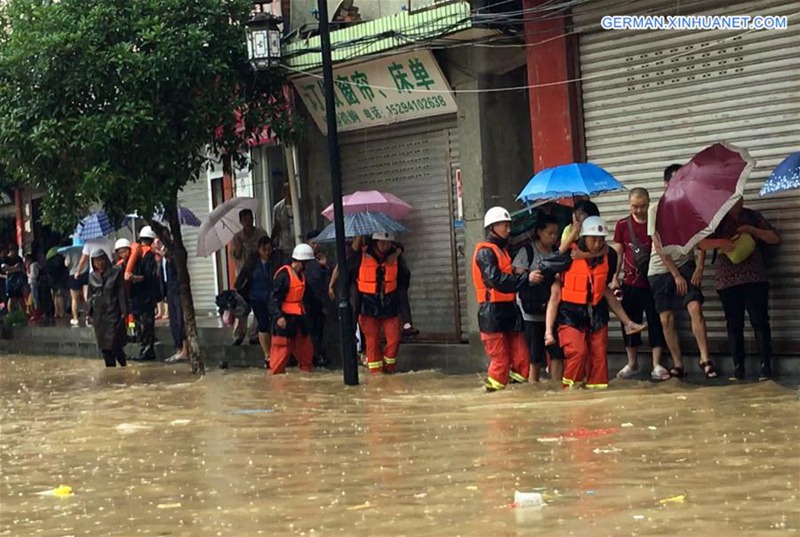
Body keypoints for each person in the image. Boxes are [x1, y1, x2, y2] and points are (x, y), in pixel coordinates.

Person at [544, 216, 646, 389]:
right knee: (578, 352)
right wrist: (548, 331)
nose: (598, 243)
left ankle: (597, 395)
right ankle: (570, 391)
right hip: (570, 312)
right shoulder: (569, 255)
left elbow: (605, 290)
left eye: (601, 240)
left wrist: (627, 322)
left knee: (599, 356)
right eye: (593, 239)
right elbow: (548, 268)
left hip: (596, 312)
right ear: (583, 238)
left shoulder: (608, 256)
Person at [698, 198, 780, 380]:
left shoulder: (752, 216)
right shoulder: (716, 220)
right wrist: (720, 242)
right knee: (734, 325)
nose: (736, 201)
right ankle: (738, 368)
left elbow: (774, 238)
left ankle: (766, 367)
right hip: (728, 280)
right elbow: (700, 243)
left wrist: (752, 230)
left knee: (760, 322)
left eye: (738, 197)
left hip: (755, 276)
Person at [649, 164, 716, 379]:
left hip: (687, 263)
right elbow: (658, 245)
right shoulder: (655, 208)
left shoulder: (692, 205)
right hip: (660, 267)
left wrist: (699, 267)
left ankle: (705, 358)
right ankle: (678, 363)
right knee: (666, 318)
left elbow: (701, 239)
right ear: (666, 184)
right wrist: (675, 274)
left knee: (695, 306)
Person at [473, 207, 544, 391]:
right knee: (500, 361)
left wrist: (520, 274)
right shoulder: (485, 252)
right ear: (493, 227)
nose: (508, 229)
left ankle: (511, 399)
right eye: (504, 225)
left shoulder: (502, 250)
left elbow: (505, 275)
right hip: (492, 311)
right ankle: (494, 399)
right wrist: (525, 278)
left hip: (509, 310)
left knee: (522, 360)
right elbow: (494, 280)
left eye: (508, 225)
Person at [611, 188, 669, 381]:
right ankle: (632, 362)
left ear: (648, 203)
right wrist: (614, 277)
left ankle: (656, 364)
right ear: (629, 205)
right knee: (629, 322)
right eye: (634, 206)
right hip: (629, 282)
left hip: (654, 279)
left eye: (642, 206)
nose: (638, 210)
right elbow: (618, 253)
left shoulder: (657, 222)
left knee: (656, 321)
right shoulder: (622, 225)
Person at [347, 232, 406, 374]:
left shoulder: (396, 255)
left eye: (387, 243)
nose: (385, 246)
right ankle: (376, 375)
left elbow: (404, 279)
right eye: (381, 242)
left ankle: (388, 367)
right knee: (372, 343)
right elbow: (349, 261)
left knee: (394, 340)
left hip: (390, 304)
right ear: (375, 242)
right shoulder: (361, 254)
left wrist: (398, 252)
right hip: (367, 305)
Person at [512, 215, 560, 382]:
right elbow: (517, 274)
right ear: (539, 232)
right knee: (534, 353)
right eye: (550, 233)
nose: (554, 236)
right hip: (530, 310)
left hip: (551, 309)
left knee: (556, 351)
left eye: (556, 233)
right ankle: (533, 385)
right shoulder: (527, 251)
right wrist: (530, 276)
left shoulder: (556, 252)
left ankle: (555, 384)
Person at [235, 235, 287, 368]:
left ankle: (276, 353)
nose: (267, 253)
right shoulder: (252, 261)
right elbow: (242, 276)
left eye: (269, 250)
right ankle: (267, 355)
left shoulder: (276, 259)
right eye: (264, 250)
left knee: (273, 323)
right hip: (256, 297)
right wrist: (239, 290)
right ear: (259, 250)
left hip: (272, 297)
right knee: (263, 323)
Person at [268, 243, 315, 375]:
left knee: (305, 351)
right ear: (301, 262)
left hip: (299, 320)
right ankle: (277, 386)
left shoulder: (301, 276)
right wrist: (279, 317)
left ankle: (306, 378)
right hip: (285, 320)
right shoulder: (283, 275)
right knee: (280, 355)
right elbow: (273, 299)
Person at [230, 208, 268, 345]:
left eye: (250, 218)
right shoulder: (237, 236)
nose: (248, 222)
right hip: (243, 276)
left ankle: (255, 334)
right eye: (245, 219)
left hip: (257, 274)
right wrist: (239, 246)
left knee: (258, 304)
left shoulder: (261, 233)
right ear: (241, 221)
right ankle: (239, 334)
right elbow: (236, 256)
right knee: (242, 306)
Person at [87, 249, 128, 367]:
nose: (99, 263)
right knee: (105, 349)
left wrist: (125, 312)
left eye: (100, 259)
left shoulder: (116, 272)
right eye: (95, 261)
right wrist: (89, 313)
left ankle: (123, 367)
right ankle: (111, 373)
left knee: (115, 346)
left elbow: (122, 293)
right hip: (99, 317)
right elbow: (90, 296)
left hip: (114, 313)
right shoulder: (92, 277)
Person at [129, 226, 160, 361]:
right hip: (145, 296)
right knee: (145, 324)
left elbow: (148, 276)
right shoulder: (148, 255)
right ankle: (146, 349)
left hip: (140, 295)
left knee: (144, 325)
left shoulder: (138, 254)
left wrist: (134, 279)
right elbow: (151, 275)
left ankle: (147, 350)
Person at [303, 230, 331, 367]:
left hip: (319, 303)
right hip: (307, 303)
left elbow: (327, 282)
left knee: (319, 331)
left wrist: (325, 266)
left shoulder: (322, 261)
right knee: (311, 332)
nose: (316, 246)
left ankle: (318, 355)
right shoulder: (304, 262)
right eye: (313, 243)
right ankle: (314, 356)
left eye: (318, 243)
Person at [271, 182, 296, 251]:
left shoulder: (300, 205)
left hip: (298, 240)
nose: (289, 194)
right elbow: (275, 227)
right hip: (285, 243)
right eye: (287, 191)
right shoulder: (278, 208)